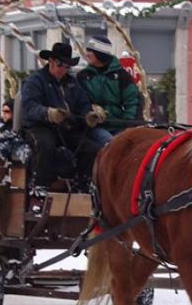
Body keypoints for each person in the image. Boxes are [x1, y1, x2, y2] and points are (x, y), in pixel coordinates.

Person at [20, 42, 103, 192]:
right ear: (50, 61)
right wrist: (48, 113)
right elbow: (30, 106)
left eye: (67, 66)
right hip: (39, 126)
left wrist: (88, 115)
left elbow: (82, 104)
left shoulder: (72, 83)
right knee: (45, 144)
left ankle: (83, 184)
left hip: (66, 128)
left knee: (91, 149)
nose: (63, 69)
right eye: (60, 64)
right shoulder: (35, 81)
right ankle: (39, 187)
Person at [77, 35, 139, 146]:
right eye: (87, 50)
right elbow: (77, 101)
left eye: (91, 51)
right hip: (95, 127)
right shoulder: (83, 76)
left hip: (119, 126)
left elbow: (132, 101)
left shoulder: (122, 76)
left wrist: (128, 125)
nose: (87, 54)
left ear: (100, 54)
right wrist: (90, 110)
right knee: (113, 145)